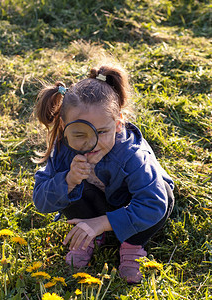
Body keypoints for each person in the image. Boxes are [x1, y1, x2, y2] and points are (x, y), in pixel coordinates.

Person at [33, 65, 175, 284]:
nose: (92, 142)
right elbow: (41, 202)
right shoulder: (63, 150)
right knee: (69, 186)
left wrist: (102, 222)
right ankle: (89, 236)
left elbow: (153, 205)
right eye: (80, 132)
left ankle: (132, 245)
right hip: (98, 207)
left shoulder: (132, 155)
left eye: (102, 132)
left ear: (118, 124)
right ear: (64, 126)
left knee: (163, 195)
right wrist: (68, 180)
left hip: (135, 208)